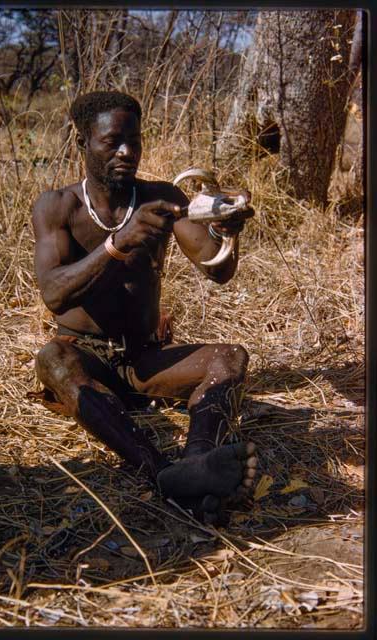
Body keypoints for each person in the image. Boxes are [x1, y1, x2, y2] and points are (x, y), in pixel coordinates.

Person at [32, 91, 257, 523]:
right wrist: (119, 243)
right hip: (84, 357)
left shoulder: (160, 197)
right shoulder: (57, 206)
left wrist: (229, 231)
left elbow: (217, 271)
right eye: (112, 141)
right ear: (80, 141)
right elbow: (54, 295)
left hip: (144, 357)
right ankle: (161, 473)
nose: (127, 152)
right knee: (52, 359)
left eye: (134, 141)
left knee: (229, 358)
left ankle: (198, 460)